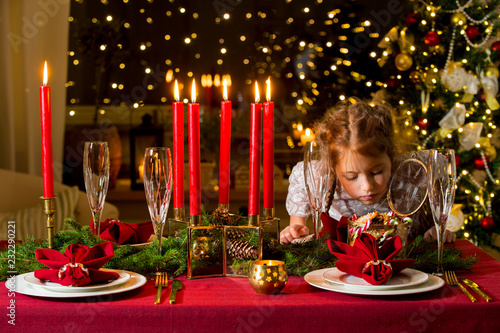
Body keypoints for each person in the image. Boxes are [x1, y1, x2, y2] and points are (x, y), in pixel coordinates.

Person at [280, 98, 456, 244]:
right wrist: (294, 231)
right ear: (333, 168)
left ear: (391, 157)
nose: (367, 187)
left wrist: (438, 229)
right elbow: (298, 232)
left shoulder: (415, 172)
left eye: (376, 172)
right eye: (351, 177)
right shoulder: (315, 178)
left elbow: (438, 212)